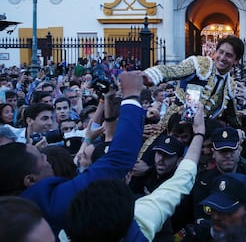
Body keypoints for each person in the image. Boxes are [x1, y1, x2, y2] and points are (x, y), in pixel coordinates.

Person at [0, 70, 146, 236]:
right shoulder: (46, 203)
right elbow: (118, 159)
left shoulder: (13, 208)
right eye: (42, 157)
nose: (47, 157)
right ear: (30, 180)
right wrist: (132, 96)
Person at [65, 102, 207, 242]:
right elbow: (182, 179)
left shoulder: (67, 213)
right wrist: (199, 132)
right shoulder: (141, 215)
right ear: (127, 176)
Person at [143, 35, 245, 128]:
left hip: (202, 134)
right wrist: (151, 75)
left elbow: (232, 116)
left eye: (228, 55)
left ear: (236, 60)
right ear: (216, 52)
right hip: (174, 126)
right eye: (221, 52)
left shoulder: (230, 84)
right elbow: (175, 71)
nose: (222, 58)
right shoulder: (200, 64)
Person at [191, 126, 246, 222]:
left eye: (231, 150)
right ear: (213, 153)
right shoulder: (204, 182)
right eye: (222, 151)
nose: (227, 155)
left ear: (239, 150)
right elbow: (202, 220)